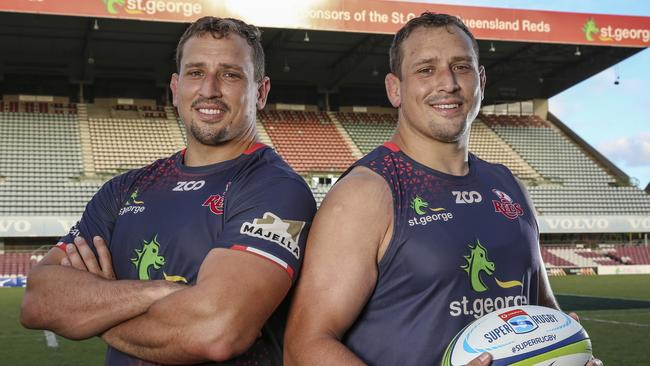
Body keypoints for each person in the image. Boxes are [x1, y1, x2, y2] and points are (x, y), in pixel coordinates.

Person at [285, 13, 600, 366]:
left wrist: (568, 349)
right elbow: (304, 346)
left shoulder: (509, 186)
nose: (448, 83)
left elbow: (543, 309)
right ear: (395, 88)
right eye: (425, 70)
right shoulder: (366, 194)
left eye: (461, 67)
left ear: (480, 80)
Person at [21, 16, 316, 366]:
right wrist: (164, 290)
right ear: (175, 88)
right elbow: (38, 300)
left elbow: (215, 331)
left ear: (261, 91)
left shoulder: (275, 189)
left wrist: (96, 311)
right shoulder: (123, 189)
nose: (209, 89)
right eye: (195, 72)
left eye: (230, 74)